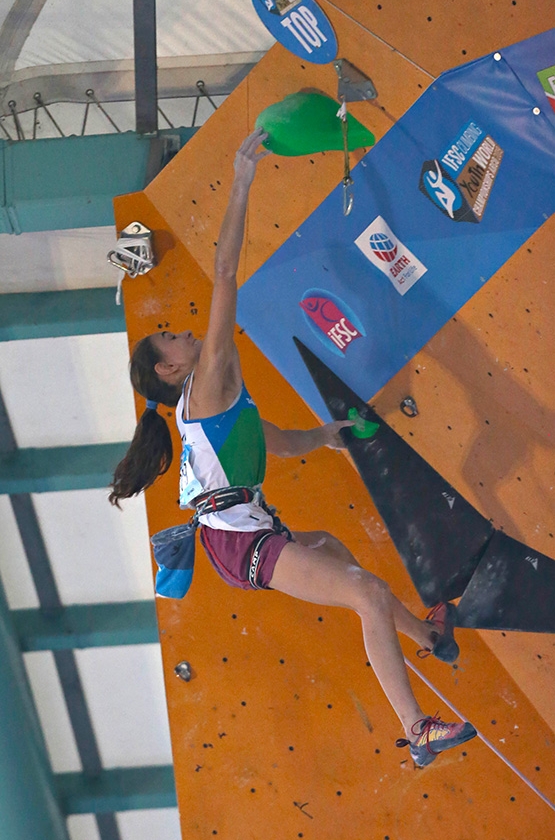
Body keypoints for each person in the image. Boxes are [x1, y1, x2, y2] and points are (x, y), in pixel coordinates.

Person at [110, 128, 476, 768]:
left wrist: (325, 437)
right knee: (365, 593)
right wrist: (241, 181)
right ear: (169, 369)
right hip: (241, 543)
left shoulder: (212, 404)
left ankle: (427, 634)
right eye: (168, 335)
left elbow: (275, 444)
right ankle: (417, 730)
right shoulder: (207, 381)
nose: (182, 331)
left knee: (332, 549)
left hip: (239, 535)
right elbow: (226, 273)